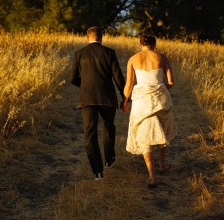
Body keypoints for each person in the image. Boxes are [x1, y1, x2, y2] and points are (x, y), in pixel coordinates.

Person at [70, 26, 126, 180]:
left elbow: (72, 78)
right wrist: (125, 97)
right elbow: (118, 78)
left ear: (87, 37)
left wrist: (86, 85)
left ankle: (97, 172)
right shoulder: (109, 53)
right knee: (109, 125)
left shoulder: (79, 54)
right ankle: (109, 158)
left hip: (87, 98)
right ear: (101, 38)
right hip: (107, 97)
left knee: (90, 133)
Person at [122, 33, 177, 188]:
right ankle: (162, 165)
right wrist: (160, 89)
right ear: (154, 44)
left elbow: (129, 85)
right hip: (160, 99)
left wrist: (125, 101)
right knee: (162, 129)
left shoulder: (133, 59)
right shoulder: (162, 58)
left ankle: (151, 176)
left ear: (141, 44)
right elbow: (171, 82)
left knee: (145, 136)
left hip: (141, 102)